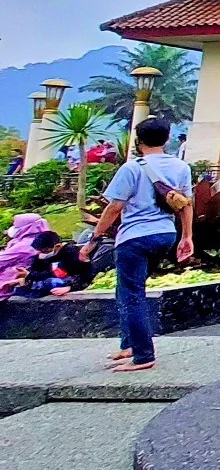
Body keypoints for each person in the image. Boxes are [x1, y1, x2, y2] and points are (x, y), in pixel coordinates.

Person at [82, 116, 193, 372]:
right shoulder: (180, 167)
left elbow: (114, 208)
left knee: (132, 295)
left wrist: (93, 240)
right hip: (165, 235)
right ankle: (129, 343)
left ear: (138, 141)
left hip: (134, 237)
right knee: (127, 289)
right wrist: (187, 236)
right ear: (166, 140)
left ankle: (143, 355)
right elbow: (185, 205)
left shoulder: (131, 168)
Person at [11, 231, 93, 297]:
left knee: (51, 282)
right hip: (55, 277)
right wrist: (27, 274)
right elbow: (40, 269)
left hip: (71, 280)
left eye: (44, 251)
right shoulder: (44, 255)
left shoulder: (70, 253)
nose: (40, 253)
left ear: (57, 246)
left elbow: (84, 274)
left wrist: (70, 287)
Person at [0, 214, 51, 300]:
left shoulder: (26, 245)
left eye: (16, 226)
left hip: (14, 275)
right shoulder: (41, 239)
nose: (13, 228)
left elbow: (2, 260)